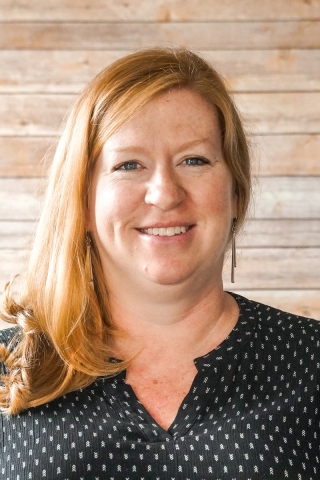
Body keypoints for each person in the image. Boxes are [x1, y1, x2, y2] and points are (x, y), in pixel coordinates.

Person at [0, 47, 319, 480]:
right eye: (129, 164)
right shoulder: (9, 367)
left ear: (236, 194)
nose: (165, 193)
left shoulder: (310, 359)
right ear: (82, 198)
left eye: (194, 160)